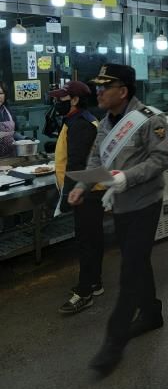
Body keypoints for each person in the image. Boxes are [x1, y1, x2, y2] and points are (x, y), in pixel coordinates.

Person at [68, 64, 168, 372]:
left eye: (105, 87)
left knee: (130, 271)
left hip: (145, 203)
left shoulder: (150, 119)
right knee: (136, 260)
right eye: (98, 87)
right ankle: (151, 313)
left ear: (123, 91)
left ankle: (114, 343)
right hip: (120, 204)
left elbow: (162, 158)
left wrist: (128, 177)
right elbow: (96, 158)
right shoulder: (105, 123)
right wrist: (82, 186)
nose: (98, 92)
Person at [50, 81, 105, 315]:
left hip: (87, 190)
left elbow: (76, 164)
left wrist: (67, 197)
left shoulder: (81, 124)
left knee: (87, 241)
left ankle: (85, 293)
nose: (56, 102)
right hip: (91, 187)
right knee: (93, 238)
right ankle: (94, 282)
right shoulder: (76, 120)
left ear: (74, 100)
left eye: (61, 98)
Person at [0, 81, 21, 157]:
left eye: (1, 93)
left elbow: (13, 133)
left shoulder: (9, 111)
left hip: (11, 155)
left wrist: (25, 138)